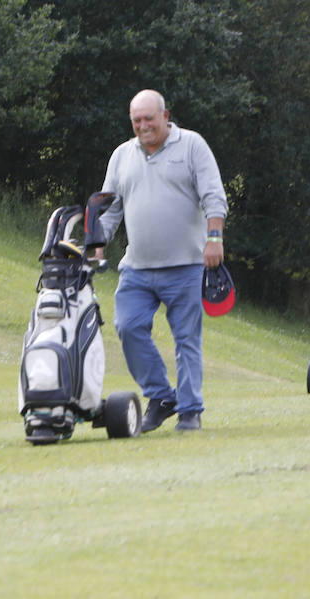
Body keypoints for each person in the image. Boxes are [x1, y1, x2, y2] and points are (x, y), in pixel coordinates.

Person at [96, 90, 228, 432]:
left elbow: (214, 196)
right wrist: (96, 247)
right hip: (137, 268)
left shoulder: (192, 146)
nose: (143, 126)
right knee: (127, 327)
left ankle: (189, 411)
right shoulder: (122, 155)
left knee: (186, 340)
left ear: (165, 114)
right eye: (136, 120)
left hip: (186, 266)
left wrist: (214, 238)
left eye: (149, 119)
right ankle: (161, 397)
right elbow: (110, 210)